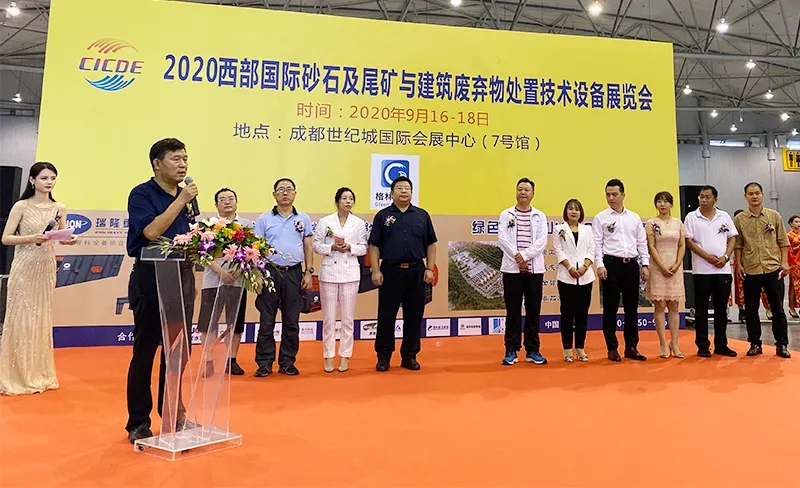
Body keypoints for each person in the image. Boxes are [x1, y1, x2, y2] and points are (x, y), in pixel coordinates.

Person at [125, 138, 199, 443]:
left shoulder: (188, 197)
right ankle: (138, 422)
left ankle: (173, 415)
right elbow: (152, 232)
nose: (183, 164)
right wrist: (181, 200)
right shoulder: (142, 194)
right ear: (157, 163)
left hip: (181, 279)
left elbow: (189, 237)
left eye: (185, 158)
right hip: (151, 279)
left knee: (178, 353)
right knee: (145, 353)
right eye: (175, 159)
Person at [0, 162, 78, 396]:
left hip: (45, 266)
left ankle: (38, 373)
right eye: (44, 178)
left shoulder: (59, 207)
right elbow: (6, 238)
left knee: (40, 315)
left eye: (52, 178)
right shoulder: (21, 206)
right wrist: (30, 238)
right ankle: (15, 375)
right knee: (21, 316)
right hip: (24, 265)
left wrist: (69, 239)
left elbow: (61, 236)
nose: (49, 182)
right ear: (32, 180)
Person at [368, 176, 437, 372]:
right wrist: (376, 270)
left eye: (407, 188)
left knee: (414, 315)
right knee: (386, 316)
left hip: (416, 271)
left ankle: (409, 355)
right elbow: (373, 246)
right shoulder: (383, 216)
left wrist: (430, 268)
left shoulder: (422, 215)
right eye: (399, 188)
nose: (404, 191)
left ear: (412, 193)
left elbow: (431, 244)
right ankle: (383, 357)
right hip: (390, 271)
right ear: (391, 194)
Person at [253, 178, 313, 377]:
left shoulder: (303, 218)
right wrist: (258, 274)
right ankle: (264, 363)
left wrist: (308, 271)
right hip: (269, 272)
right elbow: (256, 249)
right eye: (281, 190)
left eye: (289, 189)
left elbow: (307, 246)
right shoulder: (264, 219)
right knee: (266, 320)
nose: (285, 193)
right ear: (274, 195)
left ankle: (287, 362)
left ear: (295, 193)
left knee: (291, 320)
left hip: (294, 273)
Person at [592, 178, 650, 362]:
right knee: (610, 308)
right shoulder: (601, 218)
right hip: (611, 264)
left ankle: (631, 347)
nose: (611, 198)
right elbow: (597, 244)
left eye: (615, 194)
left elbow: (641, 242)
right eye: (608, 194)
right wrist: (599, 265)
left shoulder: (634, 217)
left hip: (631, 265)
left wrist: (645, 264)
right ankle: (612, 348)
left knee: (632, 308)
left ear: (623, 195)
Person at [312, 187, 368, 373]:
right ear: (337, 202)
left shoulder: (359, 223)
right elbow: (316, 245)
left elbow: (363, 248)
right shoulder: (325, 221)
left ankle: (345, 356)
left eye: (351, 198)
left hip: (350, 273)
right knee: (329, 318)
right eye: (344, 198)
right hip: (329, 272)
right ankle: (328, 356)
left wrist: (350, 247)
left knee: (347, 319)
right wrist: (331, 247)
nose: (348, 201)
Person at [196, 188, 251, 376]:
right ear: (216, 204)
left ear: (236, 201)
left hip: (238, 281)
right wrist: (220, 272)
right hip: (212, 280)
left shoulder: (246, 226)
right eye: (222, 199)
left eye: (230, 198)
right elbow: (201, 253)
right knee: (207, 323)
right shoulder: (207, 225)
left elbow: (253, 252)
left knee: (235, 322)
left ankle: (231, 360)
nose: (227, 202)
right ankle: (208, 362)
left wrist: (236, 272)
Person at [733, 182, 791, 358]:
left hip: (772, 268)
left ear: (762, 195)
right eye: (750, 194)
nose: (754, 196)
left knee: (777, 309)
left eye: (757, 193)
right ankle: (755, 343)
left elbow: (783, 241)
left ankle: (781, 344)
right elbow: (738, 244)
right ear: (745, 197)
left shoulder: (774, 216)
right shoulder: (740, 219)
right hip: (750, 270)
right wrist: (738, 264)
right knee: (751, 310)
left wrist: (785, 262)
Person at [497, 178, 548, 366]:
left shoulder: (539, 216)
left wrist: (524, 256)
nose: (523, 192)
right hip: (512, 270)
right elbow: (502, 238)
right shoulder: (506, 214)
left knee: (533, 310)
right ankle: (511, 349)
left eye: (527, 190)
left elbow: (542, 241)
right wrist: (517, 257)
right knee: (513, 310)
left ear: (533, 194)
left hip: (534, 270)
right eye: (520, 189)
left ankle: (532, 350)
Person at [683, 185, 738, 357]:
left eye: (707, 197)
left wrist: (726, 257)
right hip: (701, 271)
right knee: (701, 310)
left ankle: (721, 344)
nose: (704, 200)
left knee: (721, 310)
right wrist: (706, 256)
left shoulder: (724, 216)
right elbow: (689, 242)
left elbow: (732, 238)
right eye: (701, 197)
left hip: (722, 270)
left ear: (715, 199)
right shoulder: (692, 217)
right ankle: (702, 345)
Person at [552, 198, 595, 362]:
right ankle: (567, 349)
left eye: (577, 209)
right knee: (567, 314)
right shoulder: (559, 229)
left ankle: (580, 348)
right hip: (566, 276)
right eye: (570, 208)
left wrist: (585, 267)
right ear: (566, 211)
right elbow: (558, 251)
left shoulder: (587, 230)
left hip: (585, 277)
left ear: (581, 212)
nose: (574, 211)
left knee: (582, 313)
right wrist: (570, 267)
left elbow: (591, 249)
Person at [645, 191, 686, 359]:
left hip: (675, 267)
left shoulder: (678, 223)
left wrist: (677, 264)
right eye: (659, 201)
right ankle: (663, 342)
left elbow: (682, 245)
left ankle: (674, 343)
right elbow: (651, 246)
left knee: (674, 306)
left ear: (671, 204)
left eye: (665, 201)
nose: (662, 204)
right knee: (660, 305)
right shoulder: (651, 223)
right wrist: (661, 266)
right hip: (658, 267)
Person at [732, 209, 771, 322]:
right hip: (740, 262)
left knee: (763, 288)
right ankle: (742, 310)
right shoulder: (733, 231)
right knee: (740, 288)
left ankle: (768, 308)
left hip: (757, 262)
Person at [787, 215, 800, 319]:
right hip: (794, 263)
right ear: (791, 223)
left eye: (799, 222)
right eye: (796, 222)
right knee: (794, 286)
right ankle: (792, 308)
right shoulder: (789, 236)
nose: (798, 224)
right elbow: (789, 250)